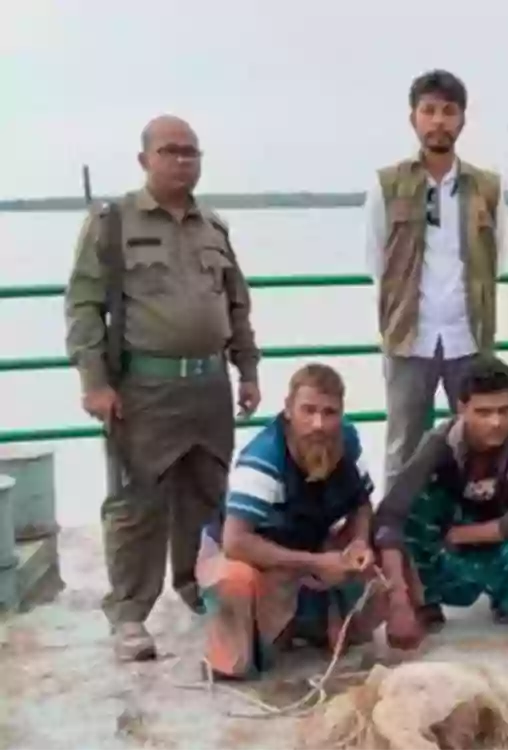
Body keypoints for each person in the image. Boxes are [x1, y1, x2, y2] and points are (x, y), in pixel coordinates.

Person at [64, 115, 261, 662]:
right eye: (171, 151)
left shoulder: (212, 227)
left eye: (192, 152)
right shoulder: (112, 223)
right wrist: (94, 382)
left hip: (208, 384)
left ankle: (197, 585)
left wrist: (247, 371)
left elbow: (236, 304)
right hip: (144, 387)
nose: (183, 161)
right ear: (144, 159)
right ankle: (129, 613)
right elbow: (83, 305)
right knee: (137, 503)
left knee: (206, 492)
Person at [363, 68, 508, 497]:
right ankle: (394, 535)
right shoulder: (387, 185)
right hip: (410, 337)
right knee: (404, 445)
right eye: (429, 111)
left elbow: (500, 257)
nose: (439, 121)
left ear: (462, 120)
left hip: (469, 336)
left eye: (449, 111)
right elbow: (375, 259)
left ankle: (466, 532)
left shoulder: (487, 187)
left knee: (476, 443)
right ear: (414, 119)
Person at [196, 364, 387, 680]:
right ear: (288, 410)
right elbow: (235, 542)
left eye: (330, 413)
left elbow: (362, 503)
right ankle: (233, 650)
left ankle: (314, 621)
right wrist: (315, 562)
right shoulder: (262, 458)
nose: (318, 424)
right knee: (236, 580)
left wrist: (359, 541)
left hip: (307, 545)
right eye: (308, 411)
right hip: (245, 554)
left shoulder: (347, 442)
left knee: (379, 559)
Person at [373, 355, 508, 649]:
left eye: (505, 411)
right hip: (451, 547)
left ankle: (507, 599)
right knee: (418, 508)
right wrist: (398, 600)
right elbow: (389, 515)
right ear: (461, 409)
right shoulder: (439, 443)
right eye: (483, 412)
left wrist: (462, 535)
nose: (496, 422)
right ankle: (426, 601)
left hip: (497, 545)